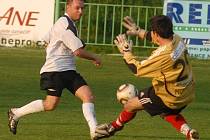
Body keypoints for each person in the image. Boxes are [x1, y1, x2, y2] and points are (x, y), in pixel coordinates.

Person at [8, 0, 108, 139]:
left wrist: (55, 51)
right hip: (55, 71)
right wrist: (95, 57)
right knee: (50, 104)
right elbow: (78, 51)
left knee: (88, 96)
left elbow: (46, 40)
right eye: (77, 8)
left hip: (68, 70)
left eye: (82, 8)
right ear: (68, 7)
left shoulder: (64, 22)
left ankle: (94, 130)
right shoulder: (65, 25)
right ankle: (16, 113)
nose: (81, 11)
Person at [95, 15, 199, 140]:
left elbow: (137, 69)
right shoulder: (177, 39)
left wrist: (126, 52)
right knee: (165, 112)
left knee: (130, 105)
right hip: (187, 91)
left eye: (152, 32)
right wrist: (139, 31)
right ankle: (189, 132)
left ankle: (113, 127)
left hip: (170, 96)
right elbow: (154, 36)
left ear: (156, 33)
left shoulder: (162, 56)